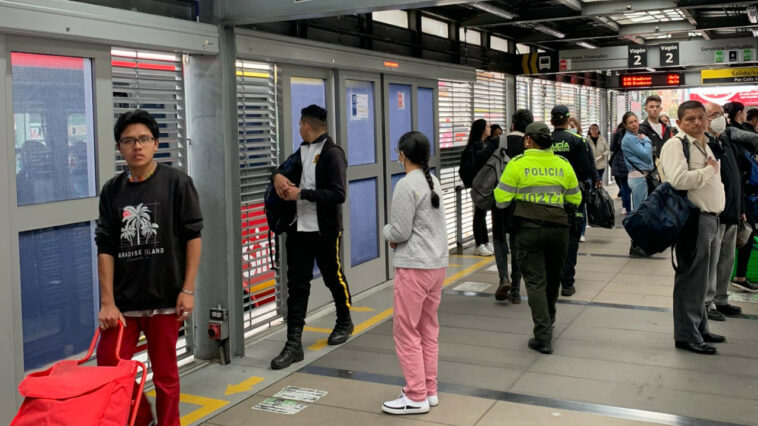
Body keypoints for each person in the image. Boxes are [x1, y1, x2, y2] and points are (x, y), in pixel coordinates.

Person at [95, 109, 203, 426]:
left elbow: (193, 237)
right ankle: (143, 418)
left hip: (165, 300)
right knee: (110, 367)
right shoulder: (112, 191)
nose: (136, 146)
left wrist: (188, 289)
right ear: (120, 148)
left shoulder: (177, 182)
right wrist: (107, 302)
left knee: (167, 376)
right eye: (128, 141)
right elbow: (105, 246)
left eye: (143, 139)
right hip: (123, 305)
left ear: (155, 143)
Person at [270, 104, 354, 370]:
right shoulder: (302, 151)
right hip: (299, 229)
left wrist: (302, 194)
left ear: (306, 125)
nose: (299, 129)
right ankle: (293, 342)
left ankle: (344, 319)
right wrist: (278, 179)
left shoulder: (332, 154)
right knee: (297, 285)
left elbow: (338, 195)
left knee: (333, 276)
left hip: (325, 230)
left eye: (300, 125)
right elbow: (281, 169)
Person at [494, 122, 582, 354]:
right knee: (553, 279)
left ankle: (543, 335)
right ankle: (549, 318)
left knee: (535, 281)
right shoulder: (562, 164)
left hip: (528, 231)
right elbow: (575, 199)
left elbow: (501, 200)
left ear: (528, 140)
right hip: (559, 230)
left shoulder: (517, 164)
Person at [381, 131, 447, 415]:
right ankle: (429, 390)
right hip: (436, 266)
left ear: (402, 155)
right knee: (428, 328)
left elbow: (399, 231)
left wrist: (387, 233)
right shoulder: (435, 183)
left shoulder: (406, 185)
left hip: (413, 267)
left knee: (406, 331)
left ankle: (415, 395)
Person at [660, 100, 726, 355]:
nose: (697, 123)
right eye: (690, 119)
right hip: (693, 220)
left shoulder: (704, 143)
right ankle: (686, 335)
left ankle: (700, 327)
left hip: (711, 218)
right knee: (691, 279)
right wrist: (708, 172)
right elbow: (678, 180)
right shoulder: (676, 145)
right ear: (679, 123)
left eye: (701, 118)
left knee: (704, 279)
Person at [550, 105, 599, 297]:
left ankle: (552, 278)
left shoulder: (545, 141)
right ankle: (567, 283)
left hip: (550, 198)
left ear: (552, 121)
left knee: (552, 238)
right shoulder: (578, 140)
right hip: (573, 197)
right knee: (571, 239)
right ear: (567, 120)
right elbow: (585, 170)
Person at [703, 102, 744, 321]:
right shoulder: (706, 143)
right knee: (713, 259)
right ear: (705, 119)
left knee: (728, 259)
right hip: (716, 211)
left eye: (721, 114)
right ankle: (707, 303)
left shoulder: (726, 140)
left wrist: (741, 208)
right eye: (714, 115)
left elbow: (736, 175)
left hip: (732, 210)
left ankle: (721, 298)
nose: (720, 118)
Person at [492, 109, 533, 304]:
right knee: (517, 242)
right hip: (523, 203)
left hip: (500, 200)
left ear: (513, 124)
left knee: (500, 238)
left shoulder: (499, 142)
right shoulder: (532, 146)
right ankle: (516, 290)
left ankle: (503, 278)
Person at [620, 112, 653, 257]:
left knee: (642, 210)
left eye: (635, 121)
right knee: (639, 212)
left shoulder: (634, 137)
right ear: (625, 125)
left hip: (641, 177)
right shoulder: (630, 139)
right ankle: (636, 244)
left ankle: (640, 242)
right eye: (631, 122)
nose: (634, 124)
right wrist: (647, 141)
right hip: (637, 178)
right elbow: (646, 155)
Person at [464, 119, 493, 256]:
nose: (490, 129)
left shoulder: (483, 145)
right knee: (479, 214)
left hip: (483, 184)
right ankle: (479, 244)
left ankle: (485, 242)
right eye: (487, 126)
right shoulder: (477, 147)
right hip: (480, 184)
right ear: (482, 130)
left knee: (482, 213)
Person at [639, 95, 672, 159]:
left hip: (666, 163)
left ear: (661, 109)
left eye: (657, 106)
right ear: (646, 109)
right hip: (650, 165)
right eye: (651, 107)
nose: (655, 109)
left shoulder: (666, 128)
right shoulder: (642, 129)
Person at [610, 128, 632, 214]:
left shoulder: (618, 132)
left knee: (625, 188)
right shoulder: (634, 133)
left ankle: (626, 208)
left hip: (620, 165)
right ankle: (629, 209)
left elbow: (612, 147)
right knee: (628, 188)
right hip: (629, 165)